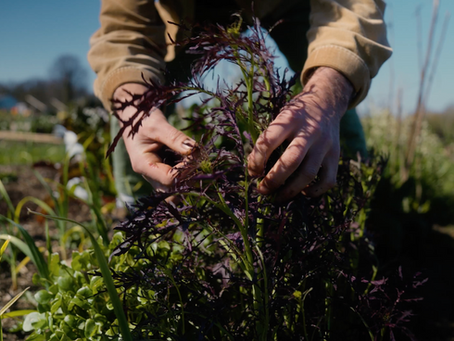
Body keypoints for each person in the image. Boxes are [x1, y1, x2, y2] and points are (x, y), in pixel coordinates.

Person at [88, 0, 392, 204]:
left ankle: (359, 205)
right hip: (186, 12)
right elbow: (124, 33)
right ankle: (136, 209)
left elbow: (351, 9)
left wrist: (328, 94)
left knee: (330, 99)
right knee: (136, 103)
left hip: (289, 3)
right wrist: (135, 105)